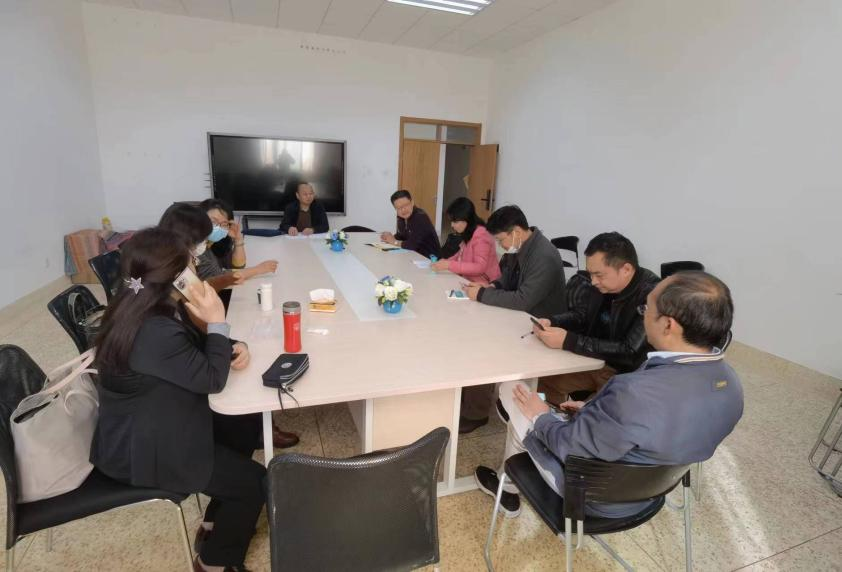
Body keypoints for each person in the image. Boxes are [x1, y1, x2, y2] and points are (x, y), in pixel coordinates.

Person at [475, 271, 744, 518]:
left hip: (592, 495)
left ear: (668, 325)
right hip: (651, 493)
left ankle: (507, 485)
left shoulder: (633, 392)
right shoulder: (732, 386)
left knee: (514, 391)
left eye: (646, 308)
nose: (643, 315)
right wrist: (595, 412)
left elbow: (569, 448)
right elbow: (652, 426)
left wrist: (541, 416)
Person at [90, 228, 264, 571]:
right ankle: (214, 563)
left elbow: (189, 349)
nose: (197, 265)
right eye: (192, 261)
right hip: (146, 450)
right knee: (256, 483)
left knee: (244, 423)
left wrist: (231, 345)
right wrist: (217, 321)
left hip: (156, 420)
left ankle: (215, 520)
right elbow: (211, 380)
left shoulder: (143, 305)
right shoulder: (154, 328)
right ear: (178, 274)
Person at [160, 203, 298, 449]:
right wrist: (218, 326)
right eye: (213, 224)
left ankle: (259, 427)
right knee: (243, 366)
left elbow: (199, 327)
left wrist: (232, 343)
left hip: (198, 350)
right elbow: (200, 340)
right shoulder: (169, 294)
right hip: (181, 410)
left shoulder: (186, 267)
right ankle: (257, 430)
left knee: (245, 349)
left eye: (223, 224)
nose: (197, 256)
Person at [458, 205, 567, 434]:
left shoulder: (543, 256)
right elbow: (506, 279)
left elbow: (523, 300)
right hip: (520, 318)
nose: (501, 246)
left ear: (516, 231)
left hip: (539, 325)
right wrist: (492, 286)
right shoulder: (522, 247)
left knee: (482, 346)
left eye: (501, 240)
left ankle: (475, 412)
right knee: (471, 333)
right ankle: (468, 400)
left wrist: (481, 294)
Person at [533, 232, 661, 406]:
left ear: (626, 269)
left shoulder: (652, 296)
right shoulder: (603, 287)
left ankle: (571, 416)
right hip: (594, 361)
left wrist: (568, 341)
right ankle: (553, 414)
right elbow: (582, 316)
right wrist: (553, 321)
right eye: (591, 274)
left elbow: (630, 352)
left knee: (594, 414)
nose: (593, 281)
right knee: (542, 381)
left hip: (626, 375)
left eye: (599, 275)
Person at [200, 198, 279, 277]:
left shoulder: (218, 243)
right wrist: (257, 270)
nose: (218, 227)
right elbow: (216, 278)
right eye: (213, 221)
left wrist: (238, 240)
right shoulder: (197, 249)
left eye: (224, 224)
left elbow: (237, 267)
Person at [431, 197, 501, 285]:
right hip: (468, 281)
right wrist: (444, 262)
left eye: (455, 221)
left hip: (485, 285)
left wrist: (448, 265)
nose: (452, 225)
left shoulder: (481, 235)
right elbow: (460, 255)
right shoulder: (468, 232)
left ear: (466, 219)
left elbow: (480, 267)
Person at [380, 190, 441, 259]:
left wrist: (394, 242)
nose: (403, 210)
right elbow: (402, 236)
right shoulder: (401, 217)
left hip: (430, 258)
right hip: (414, 255)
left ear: (412, 202)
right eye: (399, 208)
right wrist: (389, 237)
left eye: (406, 205)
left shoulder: (420, 217)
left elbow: (412, 245)